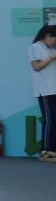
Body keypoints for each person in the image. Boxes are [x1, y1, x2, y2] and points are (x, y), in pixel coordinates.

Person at [31, 25, 56, 161]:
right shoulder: (35, 47)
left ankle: (52, 150)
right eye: (55, 39)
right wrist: (52, 57)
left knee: (54, 120)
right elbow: (36, 67)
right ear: (47, 36)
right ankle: (45, 151)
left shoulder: (50, 49)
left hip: (54, 89)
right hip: (45, 90)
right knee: (49, 120)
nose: (55, 42)